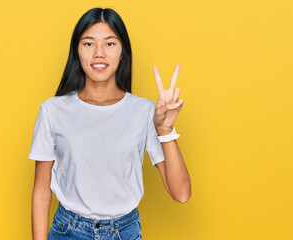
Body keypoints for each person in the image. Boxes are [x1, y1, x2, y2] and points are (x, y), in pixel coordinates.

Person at [28, 7, 191, 240]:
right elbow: (42, 192)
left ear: (122, 51)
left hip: (124, 232)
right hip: (68, 230)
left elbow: (182, 193)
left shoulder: (144, 111)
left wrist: (165, 129)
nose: (99, 54)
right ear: (77, 50)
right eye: (88, 43)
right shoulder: (52, 111)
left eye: (110, 43)